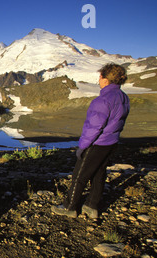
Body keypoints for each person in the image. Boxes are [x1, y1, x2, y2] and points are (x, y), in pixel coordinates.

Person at [52, 63, 130, 219]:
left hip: (97, 144)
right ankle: (91, 206)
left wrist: (82, 147)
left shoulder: (102, 101)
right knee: (99, 173)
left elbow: (93, 128)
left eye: (100, 77)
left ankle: (70, 207)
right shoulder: (123, 97)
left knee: (79, 176)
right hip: (111, 142)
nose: (98, 80)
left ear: (105, 78)